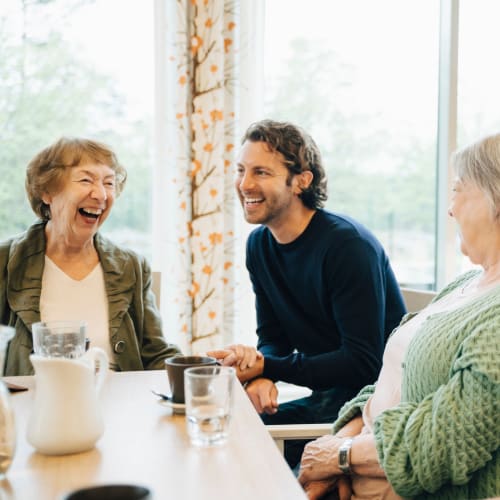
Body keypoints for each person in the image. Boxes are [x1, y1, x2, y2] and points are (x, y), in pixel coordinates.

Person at [297, 133, 500, 500]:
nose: (450, 209)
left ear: (494, 200)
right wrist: (338, 446)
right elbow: (388, 381)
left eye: (458, 190)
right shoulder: (465, 284)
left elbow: (448, 440)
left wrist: (342, 456)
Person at [208, 120, 407, 468]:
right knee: (220, 430)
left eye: (261, 172)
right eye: (240, 170)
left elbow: (364, 362)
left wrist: (267, 365)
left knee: (235, 448)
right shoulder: (259, 245)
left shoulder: (347, 246)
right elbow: (274, 336)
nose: (244, 184)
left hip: (372, 409)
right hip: (327, 401)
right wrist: (263, 373)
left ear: (302, 180)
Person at [0, 137, 181, 375]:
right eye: (86, 180)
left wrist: (205, 369)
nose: (101, 195)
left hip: (119, 405)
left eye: (109, 183)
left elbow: (156, 353)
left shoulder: (132, 266)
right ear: (47, 192)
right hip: (35, 406)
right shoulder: (7, 262)